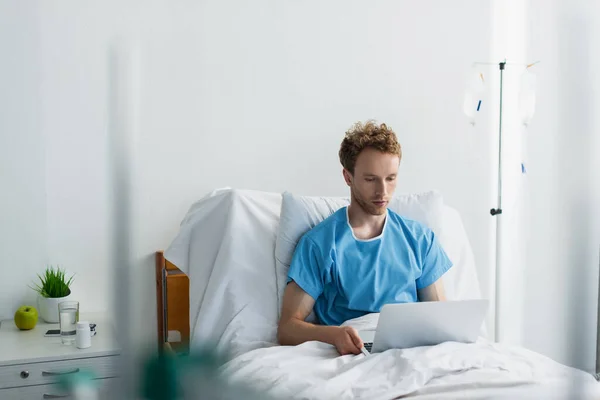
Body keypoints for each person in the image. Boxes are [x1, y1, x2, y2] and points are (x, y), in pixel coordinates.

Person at [277, 120, 453, 355]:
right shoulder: (320, 244)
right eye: (371, 180)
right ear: (348, 177)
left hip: (411, 350)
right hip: (354, 351)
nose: (383, 191)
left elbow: (440, 319)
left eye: (391, 178)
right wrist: (333, 335)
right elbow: (288, 329)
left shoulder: (420, 240)